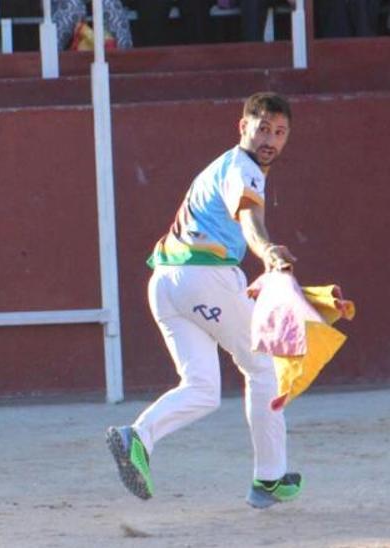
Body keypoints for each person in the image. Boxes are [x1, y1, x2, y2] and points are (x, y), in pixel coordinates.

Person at [107, 92, 302, 509]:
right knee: (263, 366)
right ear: (243, 127)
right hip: (204, 277)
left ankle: (137, 437)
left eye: (280, 132)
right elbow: (250, 220)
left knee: (202, 388)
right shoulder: (243, 168)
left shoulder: (222, 165)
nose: (270, 139)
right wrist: (267, 251)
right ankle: (269, 478)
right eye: (263, 128)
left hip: (164, 283)